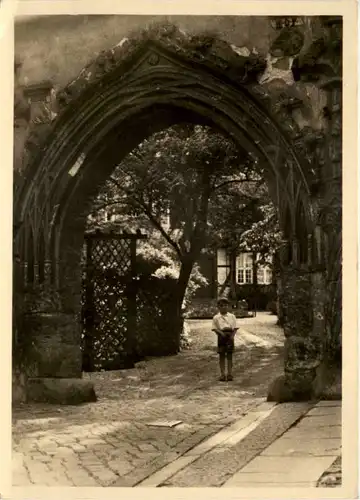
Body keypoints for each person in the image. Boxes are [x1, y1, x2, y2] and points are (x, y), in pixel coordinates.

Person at [212, 297, 238, 381]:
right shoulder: (216, 317)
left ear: (228, 306)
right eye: (222, 306)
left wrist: (232, 336)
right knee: (222, 355)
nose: (224, 307)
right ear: (218, 307)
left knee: (230, 356)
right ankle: (222, 374)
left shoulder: (232, 316)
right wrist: (221, 333)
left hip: (230, 336)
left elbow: (235, 328)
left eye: (226, 305)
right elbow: (214, 328)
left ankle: (230, 374)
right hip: (221, 335)